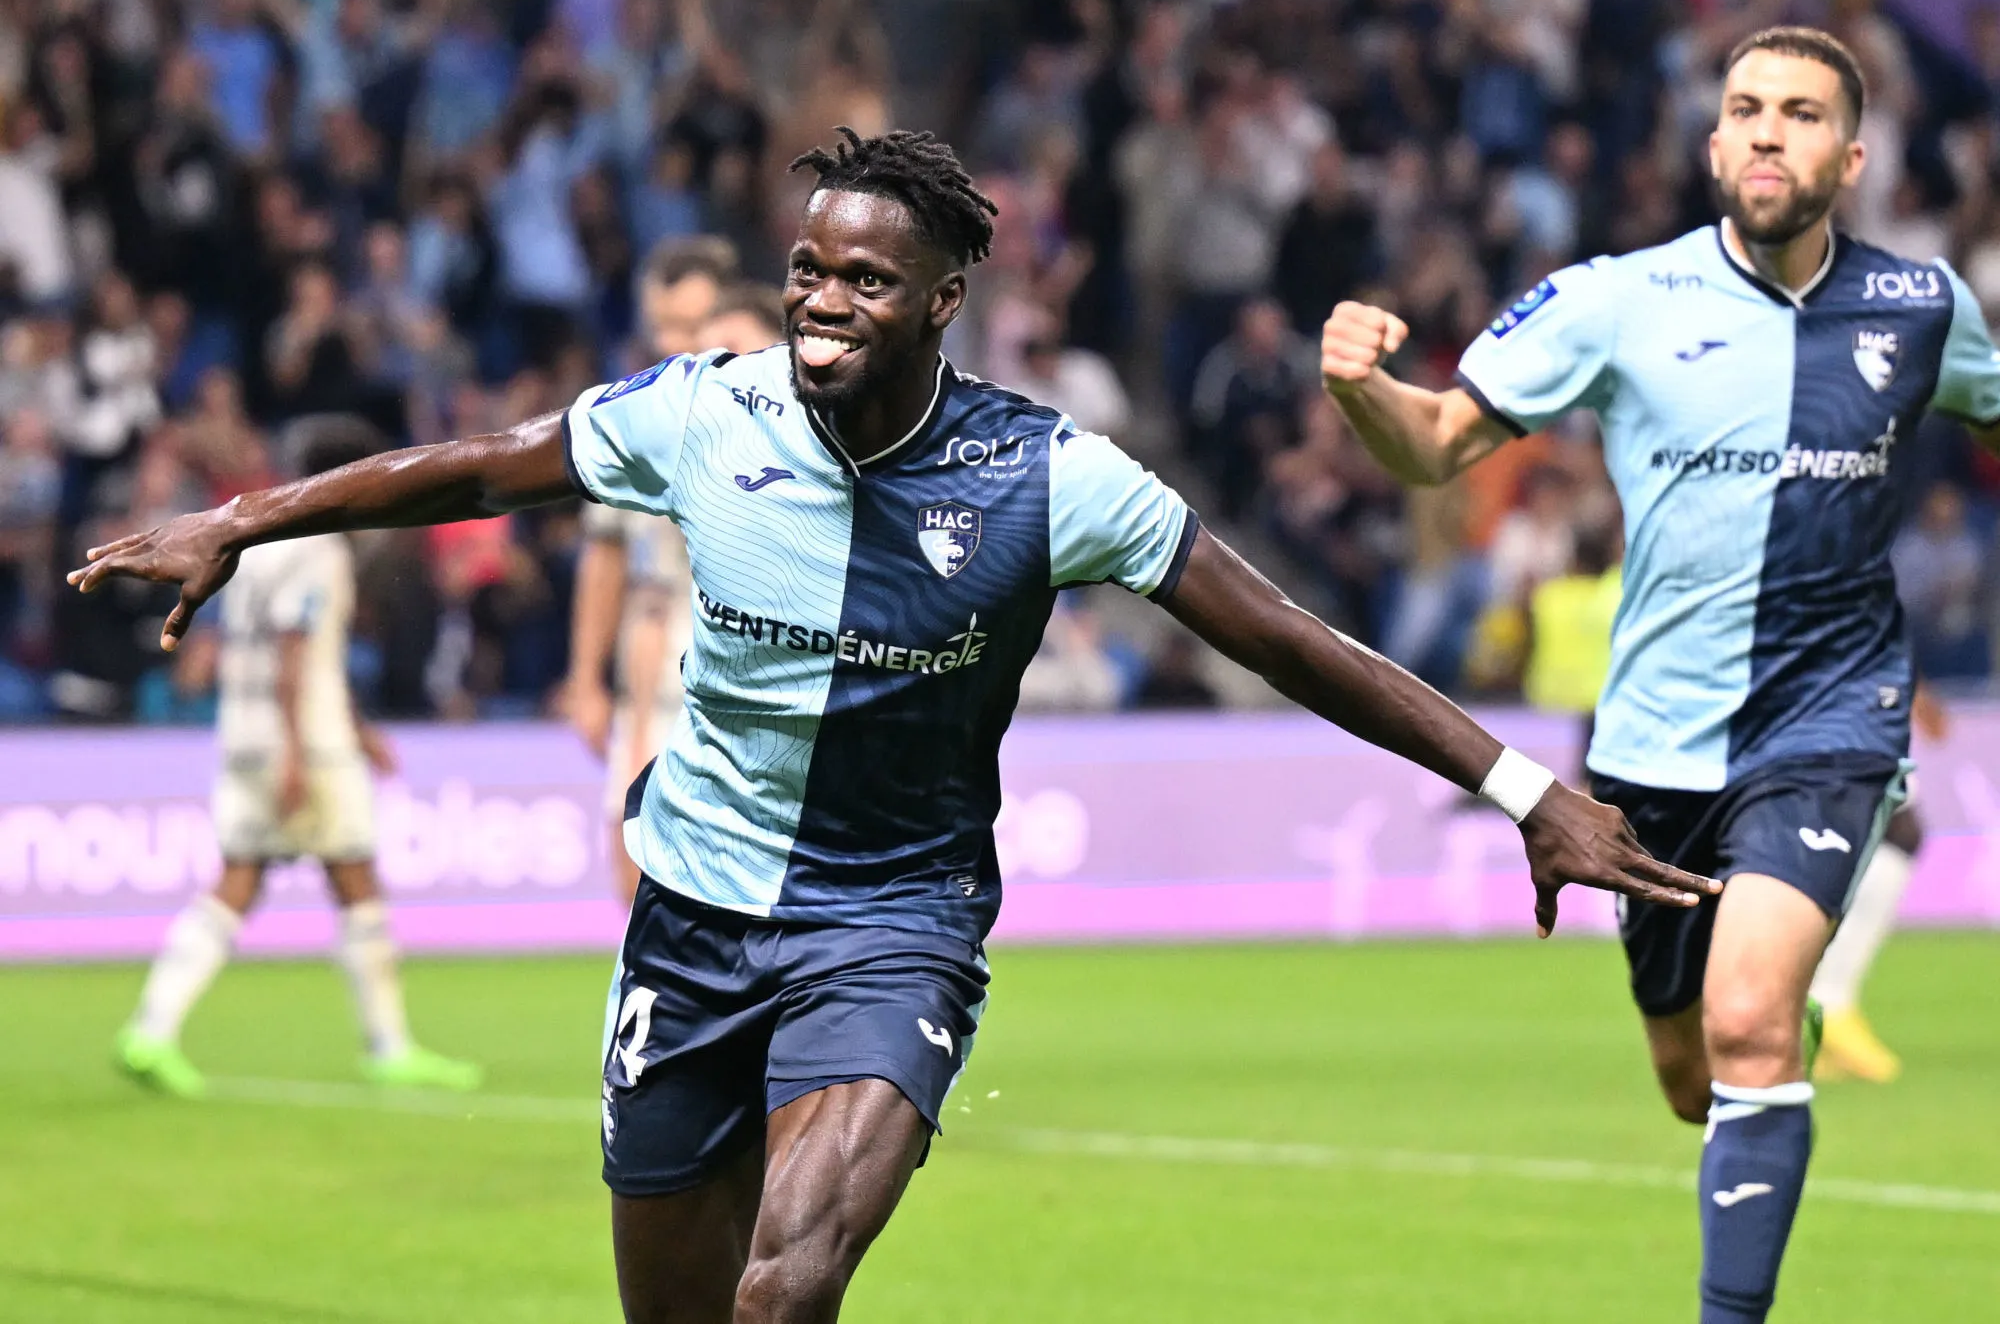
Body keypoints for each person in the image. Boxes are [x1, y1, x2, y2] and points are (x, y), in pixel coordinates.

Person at [73, 127, 1711, 1324]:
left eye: (867, 277)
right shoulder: (703, 415)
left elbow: (1284, 633)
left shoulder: (1049, 474)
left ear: (943, 300)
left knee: (786, 1289)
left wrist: (1517, 784)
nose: (824, 299)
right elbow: (474, 465)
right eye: (808, 268)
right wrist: (245, 517)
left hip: (890, 928)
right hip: (692, 918)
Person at [1318, 29, 2000, 1324]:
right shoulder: (1615, 299)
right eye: (1744, 108)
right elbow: (1437, 445)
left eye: (1799, 114)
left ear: (1850, 157)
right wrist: (1363, 390)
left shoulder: (1923, 309)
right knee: (1699, 1076)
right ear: (1709, 141)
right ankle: (1761, 1045)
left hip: (1831, 717)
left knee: (1750, 1020)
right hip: (1651, 747)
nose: (1764, 132)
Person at [113, 419, 481, 1100]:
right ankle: (389, 1046)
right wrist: (298, 752)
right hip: (303, 746)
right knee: (356, 880)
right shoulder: (318, 552)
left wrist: (358, 727)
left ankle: (149, 1030)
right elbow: (293, 653)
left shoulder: (259, 546)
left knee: (239, 880)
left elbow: (288, 655)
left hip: (244, 733)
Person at [563, 237, 739, 901]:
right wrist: (584, 678)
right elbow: (604, 554)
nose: (676, 342)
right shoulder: (632, 418)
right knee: (632, 874)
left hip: (738, 669)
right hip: (652, 664)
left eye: (691, 325)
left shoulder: (776, 413)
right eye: (663, 325)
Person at [1808, 683, 1948, 1082]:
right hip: (1864, 828)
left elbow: (1936, 724)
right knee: (1844, 937)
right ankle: (1828, 1013)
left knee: (1847, 937)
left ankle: (1823, 1028)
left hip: (1878, 826)